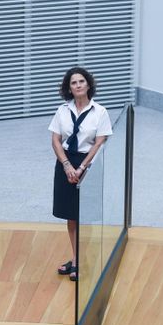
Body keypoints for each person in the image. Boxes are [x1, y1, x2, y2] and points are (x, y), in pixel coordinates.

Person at [49, 67, 113, 281]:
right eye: (73, 83)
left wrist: (81, 168)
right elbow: (56, 140)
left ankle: (80, 261)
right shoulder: (62, 111)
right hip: (66, 162)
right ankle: (76, 259)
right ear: (69, 88)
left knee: (84, 215)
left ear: (88, 85)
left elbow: (99, 143)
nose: (78, 85)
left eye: (81, 81)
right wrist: (67, 165)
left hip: (88, 163)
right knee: (70, 215)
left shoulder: (100, 112)